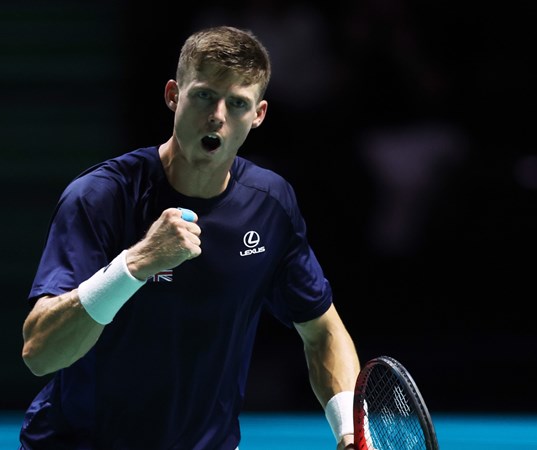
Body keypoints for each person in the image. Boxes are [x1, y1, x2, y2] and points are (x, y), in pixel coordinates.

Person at [19, 25, 361, 450]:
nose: (218, 115)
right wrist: (136, 263)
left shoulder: (270, 204)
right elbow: (39, 352)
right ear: (172, 95)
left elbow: (323, 330)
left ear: (258, 115)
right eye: (204, 95)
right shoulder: (101, 196)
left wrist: (349, 430)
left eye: (237, 103)